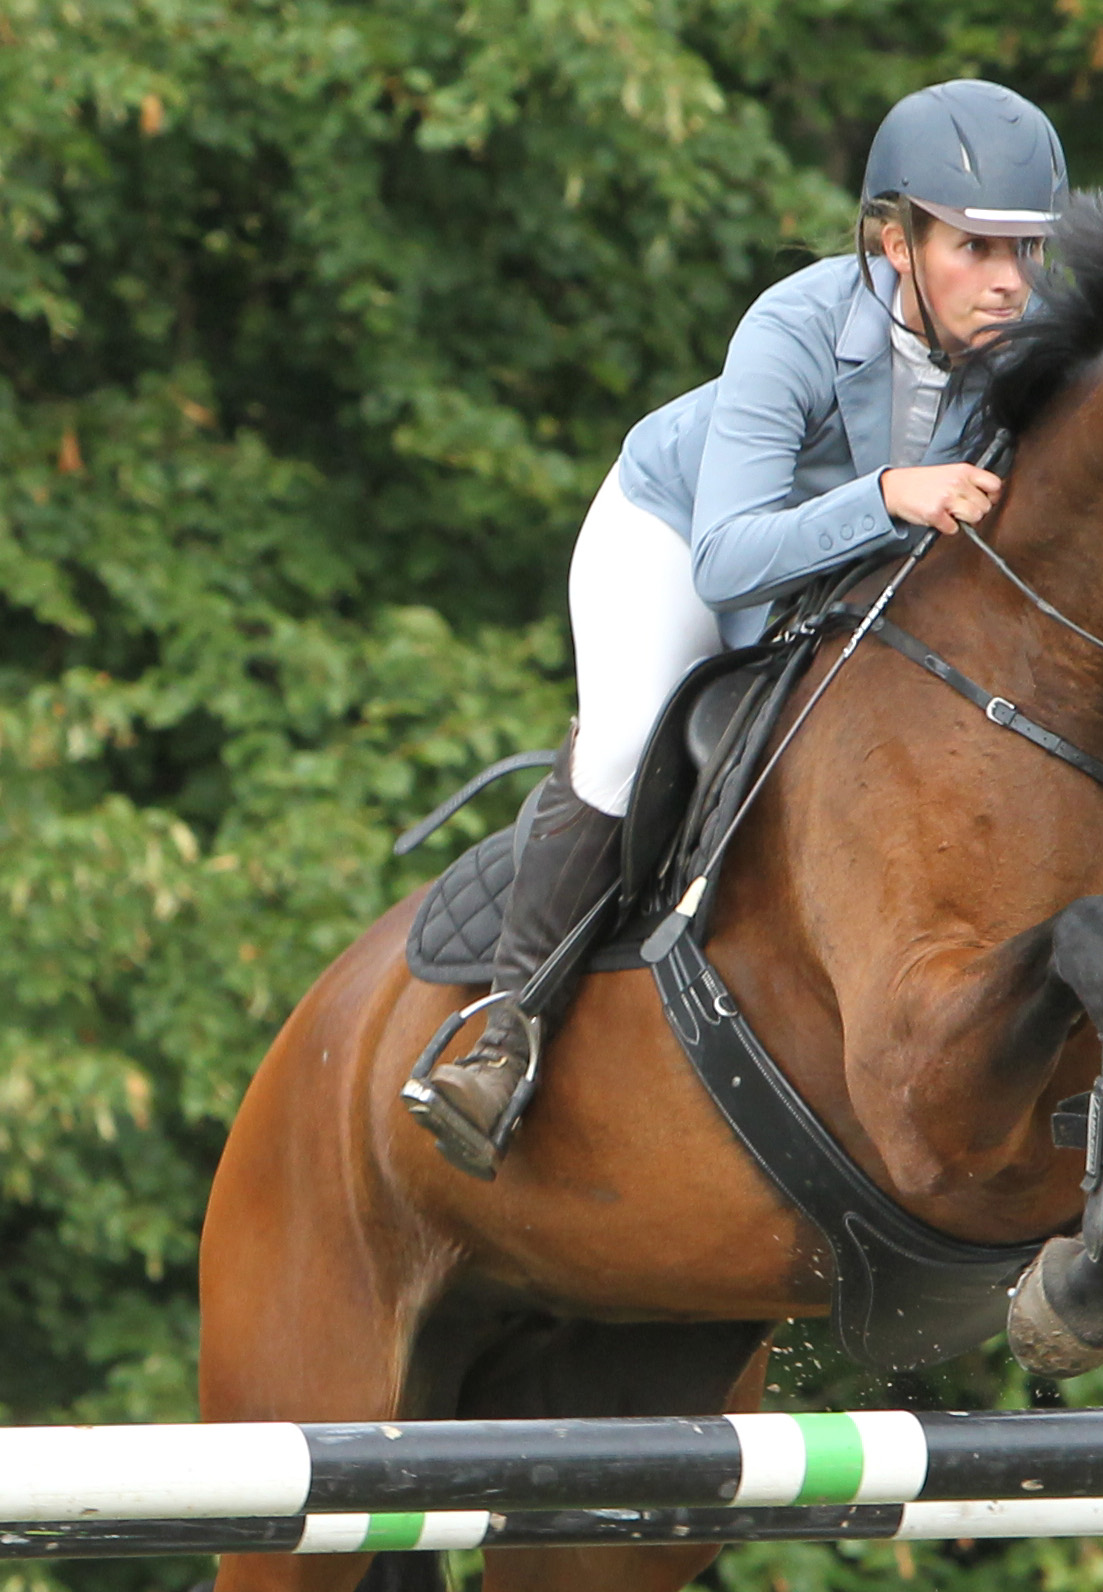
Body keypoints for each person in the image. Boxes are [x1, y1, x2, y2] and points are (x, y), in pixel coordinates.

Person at [415, 80, 1068, 1174]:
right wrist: (890, 496)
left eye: (1028, 253)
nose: (1010, 283)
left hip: (853, 572)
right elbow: (727, 557)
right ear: (895, 240)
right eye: (976, 248)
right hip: (674, 540)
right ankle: (502, 1037)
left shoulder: (1021, 337)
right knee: (630, 747)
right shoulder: (798, 324)